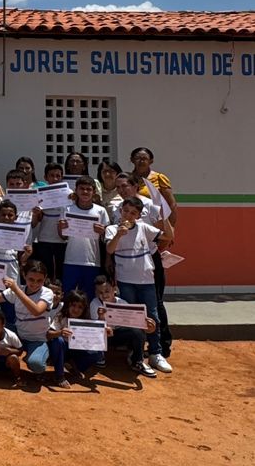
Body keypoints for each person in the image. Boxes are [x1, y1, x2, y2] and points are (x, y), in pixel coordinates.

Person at [105, 195, 174, 378]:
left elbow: (168, 236)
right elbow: (110, 250)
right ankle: (134, 353)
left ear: (138, 215)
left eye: (133, 213)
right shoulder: (112, 229)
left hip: (147, 281)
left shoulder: (144, 228)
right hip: (126, 281)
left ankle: (155, 353)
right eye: (126, 211)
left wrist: (165, 218)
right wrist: (119, 234)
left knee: (153, 317)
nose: (128, 215)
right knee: (131, 319)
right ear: (121, 211)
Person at [129, 146, 177, 359]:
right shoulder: (129, 179)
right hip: (131, 246)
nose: (141, 161)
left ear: (151, 160)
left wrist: (170, 234)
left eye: (144, 158)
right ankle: (135, 342)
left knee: (155, 299)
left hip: (153, 241)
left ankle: (163, 344)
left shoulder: (159, 179)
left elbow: (171, 206)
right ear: (132, 159)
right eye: (137, 158)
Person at [1, 260, 65, 388]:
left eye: (39, 280)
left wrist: (16, 290)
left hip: (37, 339)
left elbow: (36, 311)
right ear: (24, 275)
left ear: (45, 279)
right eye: (31, 279)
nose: (35, 283)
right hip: (18, 334)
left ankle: (35, 356)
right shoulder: (18, 290)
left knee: (37, 365)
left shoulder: (47, 293)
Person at [57, 177, 108, 304]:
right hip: (71, 260)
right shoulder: (67, 209)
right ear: (76, 190)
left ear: (94, 192)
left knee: (89, 297)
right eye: (82, 189)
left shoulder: (100, 211)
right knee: (68, 296)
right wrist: (61, 228)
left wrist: (102, 232)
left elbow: (106, 237)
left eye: (88, 189)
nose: (85, 192)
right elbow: (63, 237)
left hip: (92, 261)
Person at [55, 289, 104, 388]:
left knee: (98, 353)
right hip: (62, 350)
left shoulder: (85, 320)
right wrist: (60, 332)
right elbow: (48, 334)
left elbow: (96, 336)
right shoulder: (60, 316)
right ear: (68, 305)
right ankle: (59, 375)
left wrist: (104, 328)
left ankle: (75, 368)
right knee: (58, 341)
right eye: (73, 305)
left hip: (77, 350)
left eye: (80, 307)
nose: (76, 310)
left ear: (84, 309)